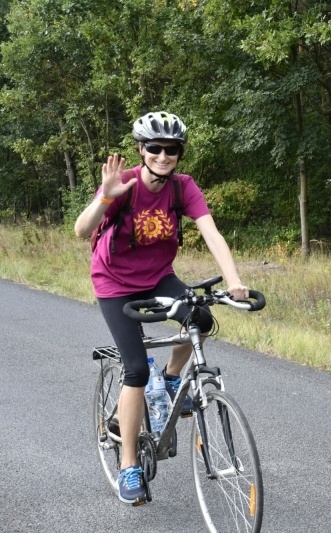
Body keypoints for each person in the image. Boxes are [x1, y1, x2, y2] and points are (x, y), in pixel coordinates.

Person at [74, 111, 251, 505]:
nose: (163, 155)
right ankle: (128, 465)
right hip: (114, 284)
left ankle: (171, 381)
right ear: (142, 148)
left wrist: (233, 279)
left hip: (158, 278)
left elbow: (211, 233)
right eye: (154, 148)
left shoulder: (182, 188)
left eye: (171, 149)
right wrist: (105, 195)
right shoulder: (127, 184)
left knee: (201, 317)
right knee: (135, 370)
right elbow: (81, 230)